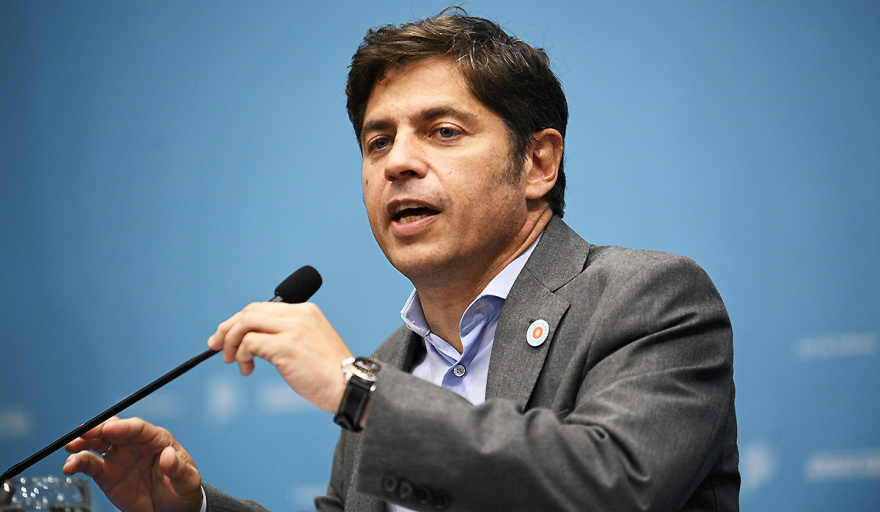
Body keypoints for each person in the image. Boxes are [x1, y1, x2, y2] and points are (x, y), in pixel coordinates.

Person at [62, 9, 739, 512]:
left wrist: (359, 393)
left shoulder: (647, 298)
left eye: (442, 131)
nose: (398, 163)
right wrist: (194, 509)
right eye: (378, 141)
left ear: (538, 163)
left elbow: (614, 489)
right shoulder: (393, 365)